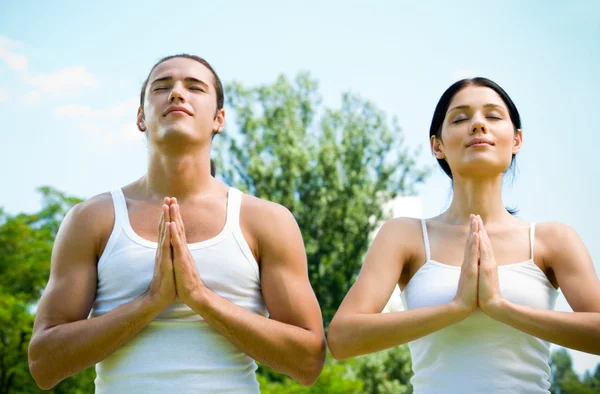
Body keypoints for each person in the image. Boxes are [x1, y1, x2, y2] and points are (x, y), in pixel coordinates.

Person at [28, 54, 326, 393]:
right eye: (162, 87)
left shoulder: (266, 220)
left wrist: (198, 295)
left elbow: (308, 362)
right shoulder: (91, 219)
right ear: (141, 118)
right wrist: (151, 301)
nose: (176, 94)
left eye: (194, 87)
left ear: (219, 119)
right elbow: (43, 365)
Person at [327, 77, 600, 393]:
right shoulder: (404, 236)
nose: (478, 125)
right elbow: (342, 339)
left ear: (516, 140)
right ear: (437, 145)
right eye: (460, 118)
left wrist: (500, 307)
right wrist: (455, 307)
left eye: (493, 116)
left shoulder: (552, 239)